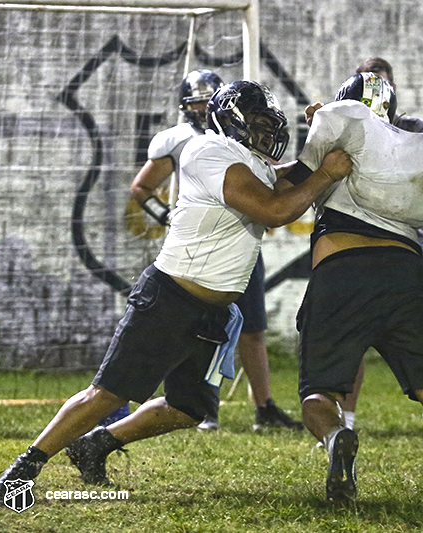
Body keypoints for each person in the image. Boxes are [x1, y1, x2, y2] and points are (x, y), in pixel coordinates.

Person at [0, 80, 351, 504]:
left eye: (268, 124)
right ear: (228, 121)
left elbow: (285, 178)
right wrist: (325, 173)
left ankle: (95, 444)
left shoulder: (249, 159)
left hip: (213, 312)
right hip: (170, 300)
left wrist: (321, 142)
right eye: (254, 123)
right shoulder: (209, 151)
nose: (264, 133)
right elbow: (275, 209)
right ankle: (20, 472)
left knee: (187, 408)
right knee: (106, 393)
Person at [286, 72, 423, 503]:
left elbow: (283, 191)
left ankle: (335, 439)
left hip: (340, 270)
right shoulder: (419, 153)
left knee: (318, 392)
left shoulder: (337, 136)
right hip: (406, 274)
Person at [130, 69, 302, 432]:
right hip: (198, 250)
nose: (200, 108)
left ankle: (264, 406)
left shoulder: (246, 142)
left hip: (239, 240)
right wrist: (168, 217)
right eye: (194, 102)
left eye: (206, 100)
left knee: (253, 326)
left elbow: (269, 181)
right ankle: (197, 406)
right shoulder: (185, 142)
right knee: (190, 329)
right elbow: (142, 188)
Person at [329, 57, 423, 443]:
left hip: (409, 245)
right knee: (350, 342)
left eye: (384, 83)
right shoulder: (340, 131)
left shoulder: (413, 130)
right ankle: (343, 418)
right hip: (356, 245)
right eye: (370, 82)